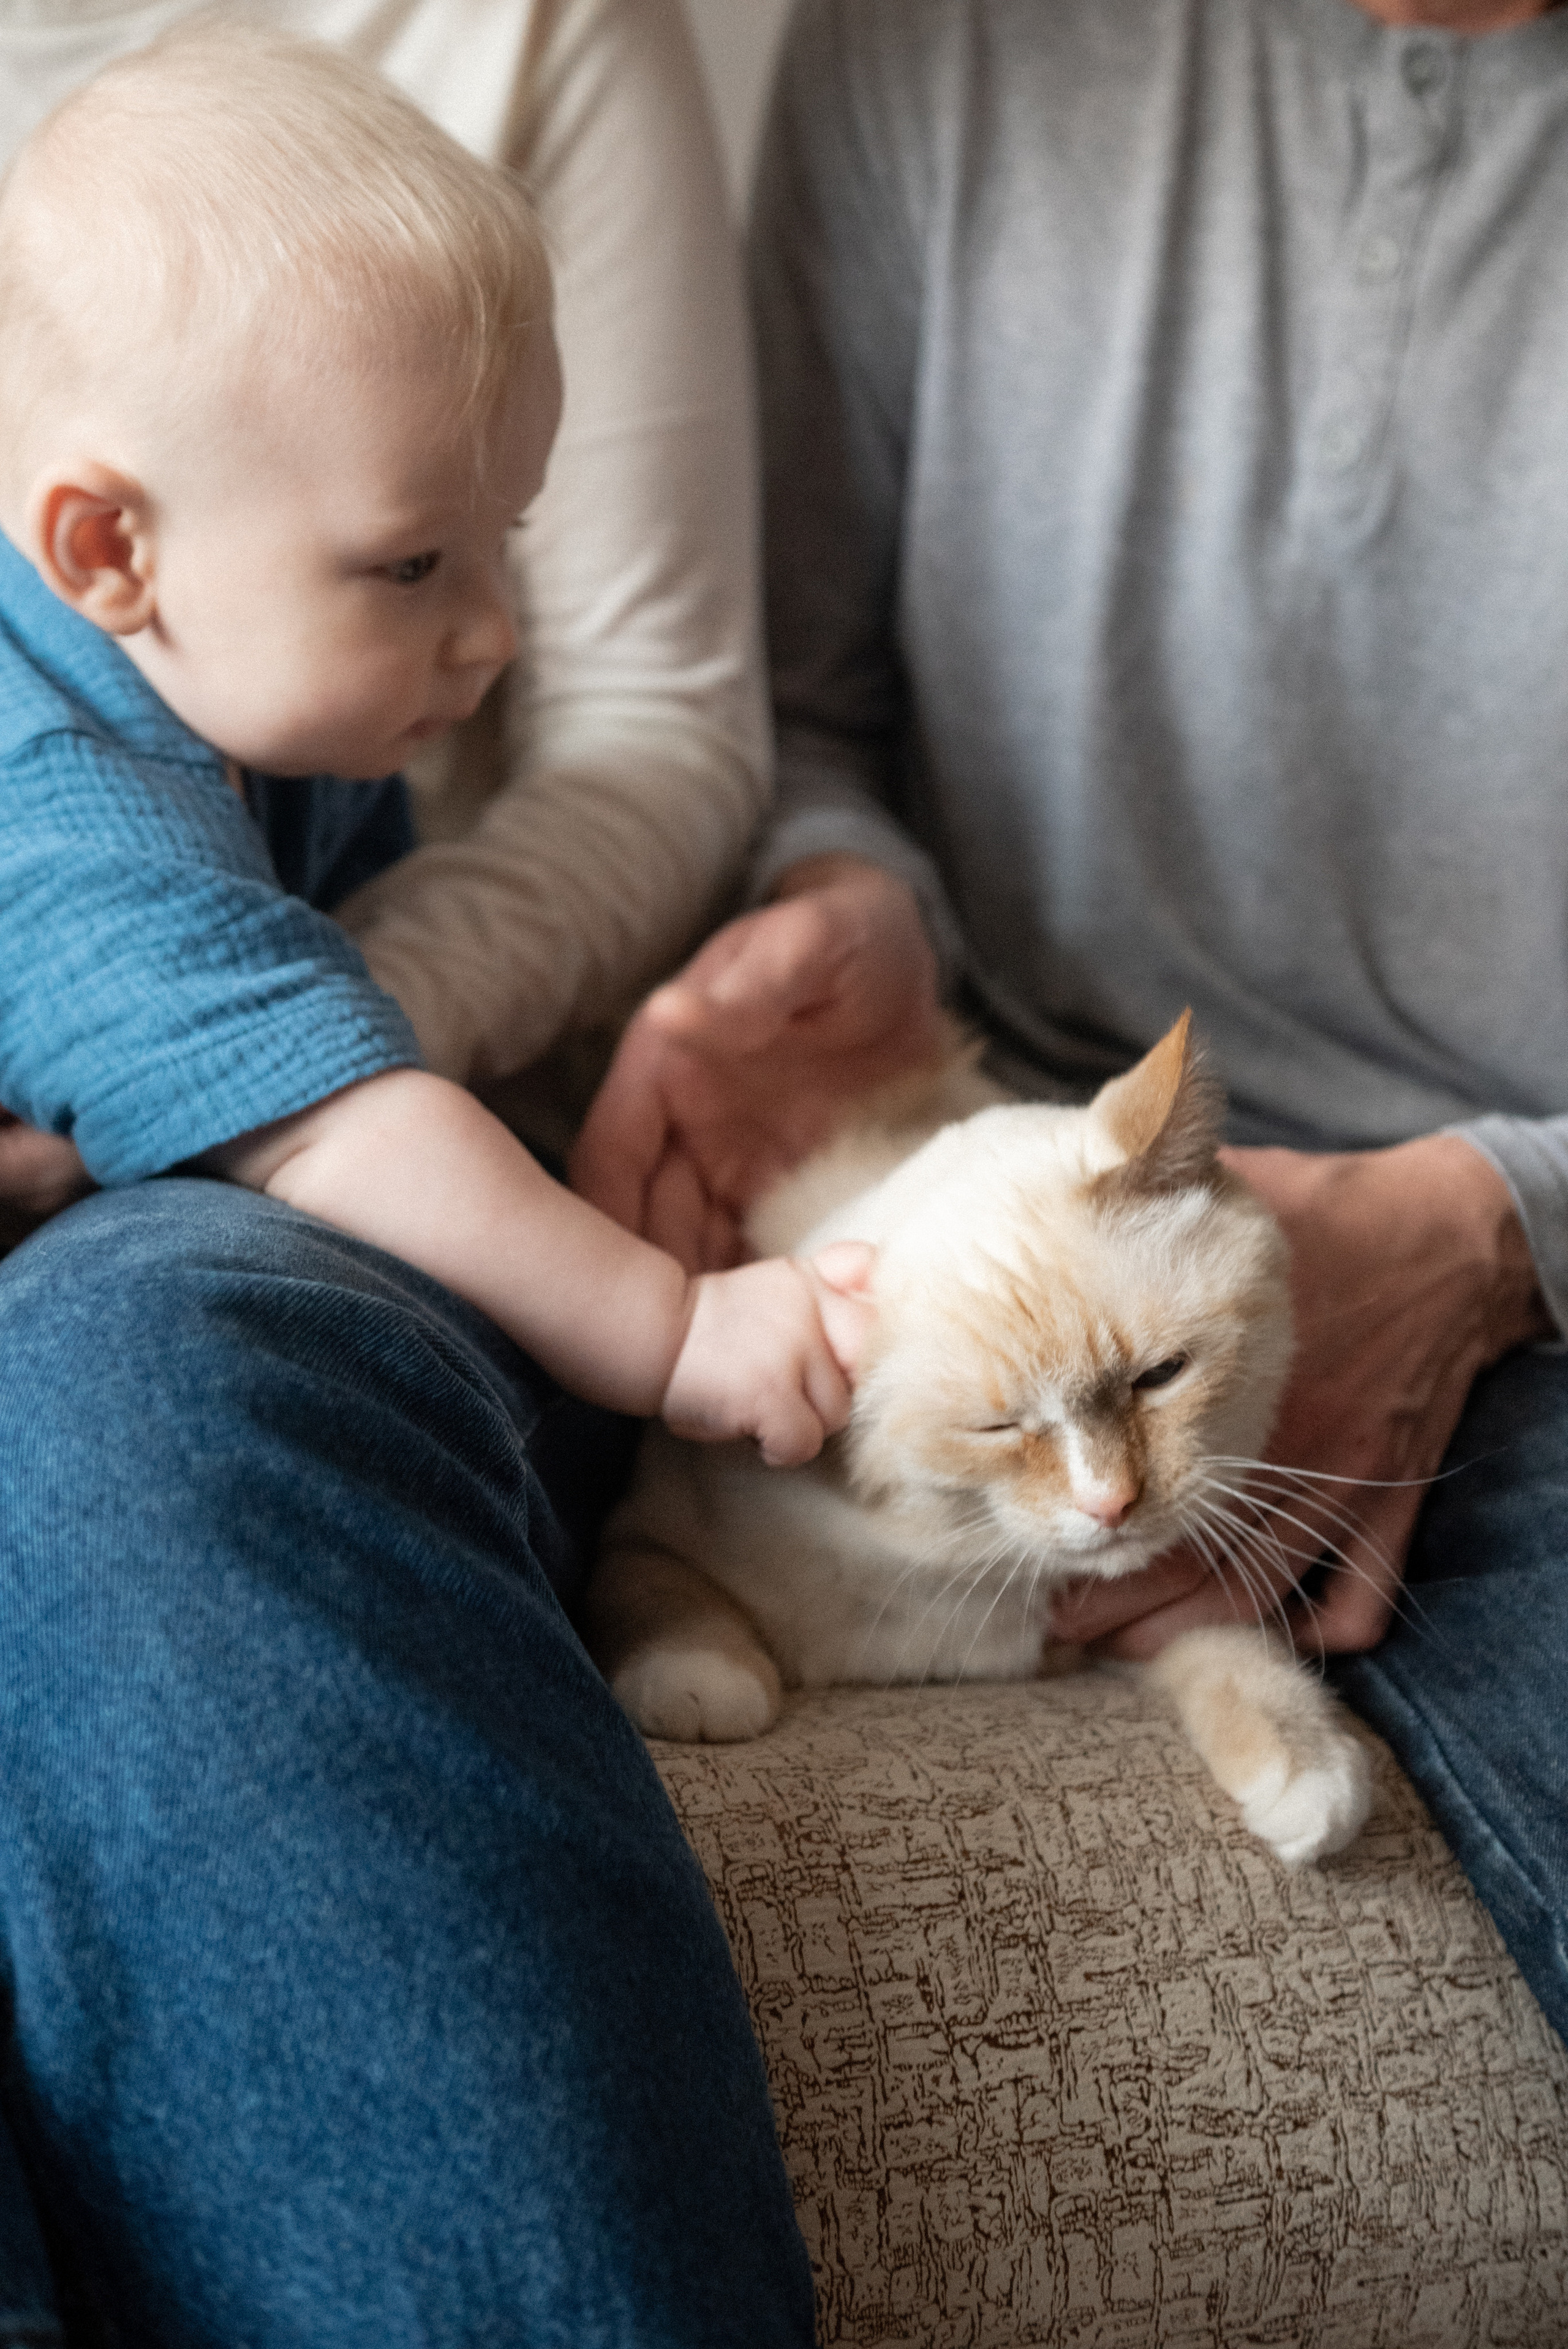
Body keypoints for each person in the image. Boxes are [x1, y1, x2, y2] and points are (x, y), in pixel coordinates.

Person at [576, 0, 1568, 2049]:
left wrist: (1500, 1224)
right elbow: (817, 719)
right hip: (1006, 1143)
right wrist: (853, 907)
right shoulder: (934, 41)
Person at [0, 22, 826, 2346]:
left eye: (509, 548)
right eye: (415, 563)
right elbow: (340, 1116)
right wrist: (674, 1330)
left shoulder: (221, 670)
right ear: (109, 545)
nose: (489, 639)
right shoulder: (61, 798)